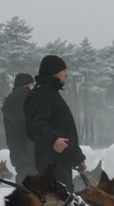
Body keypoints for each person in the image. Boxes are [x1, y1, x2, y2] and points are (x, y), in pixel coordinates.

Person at [24, 55, 86, 192]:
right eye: (64, 70)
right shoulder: (41, 94)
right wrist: (52, 140)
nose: (67, 74)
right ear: (54, 72)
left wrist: (77, 158)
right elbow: (34, 125)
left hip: (61, 162)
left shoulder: (51, 93)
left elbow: (64, 130)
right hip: (51, 164)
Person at [1, 73, 35, 184]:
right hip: (28, 153)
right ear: (26, 86)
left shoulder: (11, 103)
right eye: (32, 84)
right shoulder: (20, 102)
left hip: (19, 154)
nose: (34, 87)